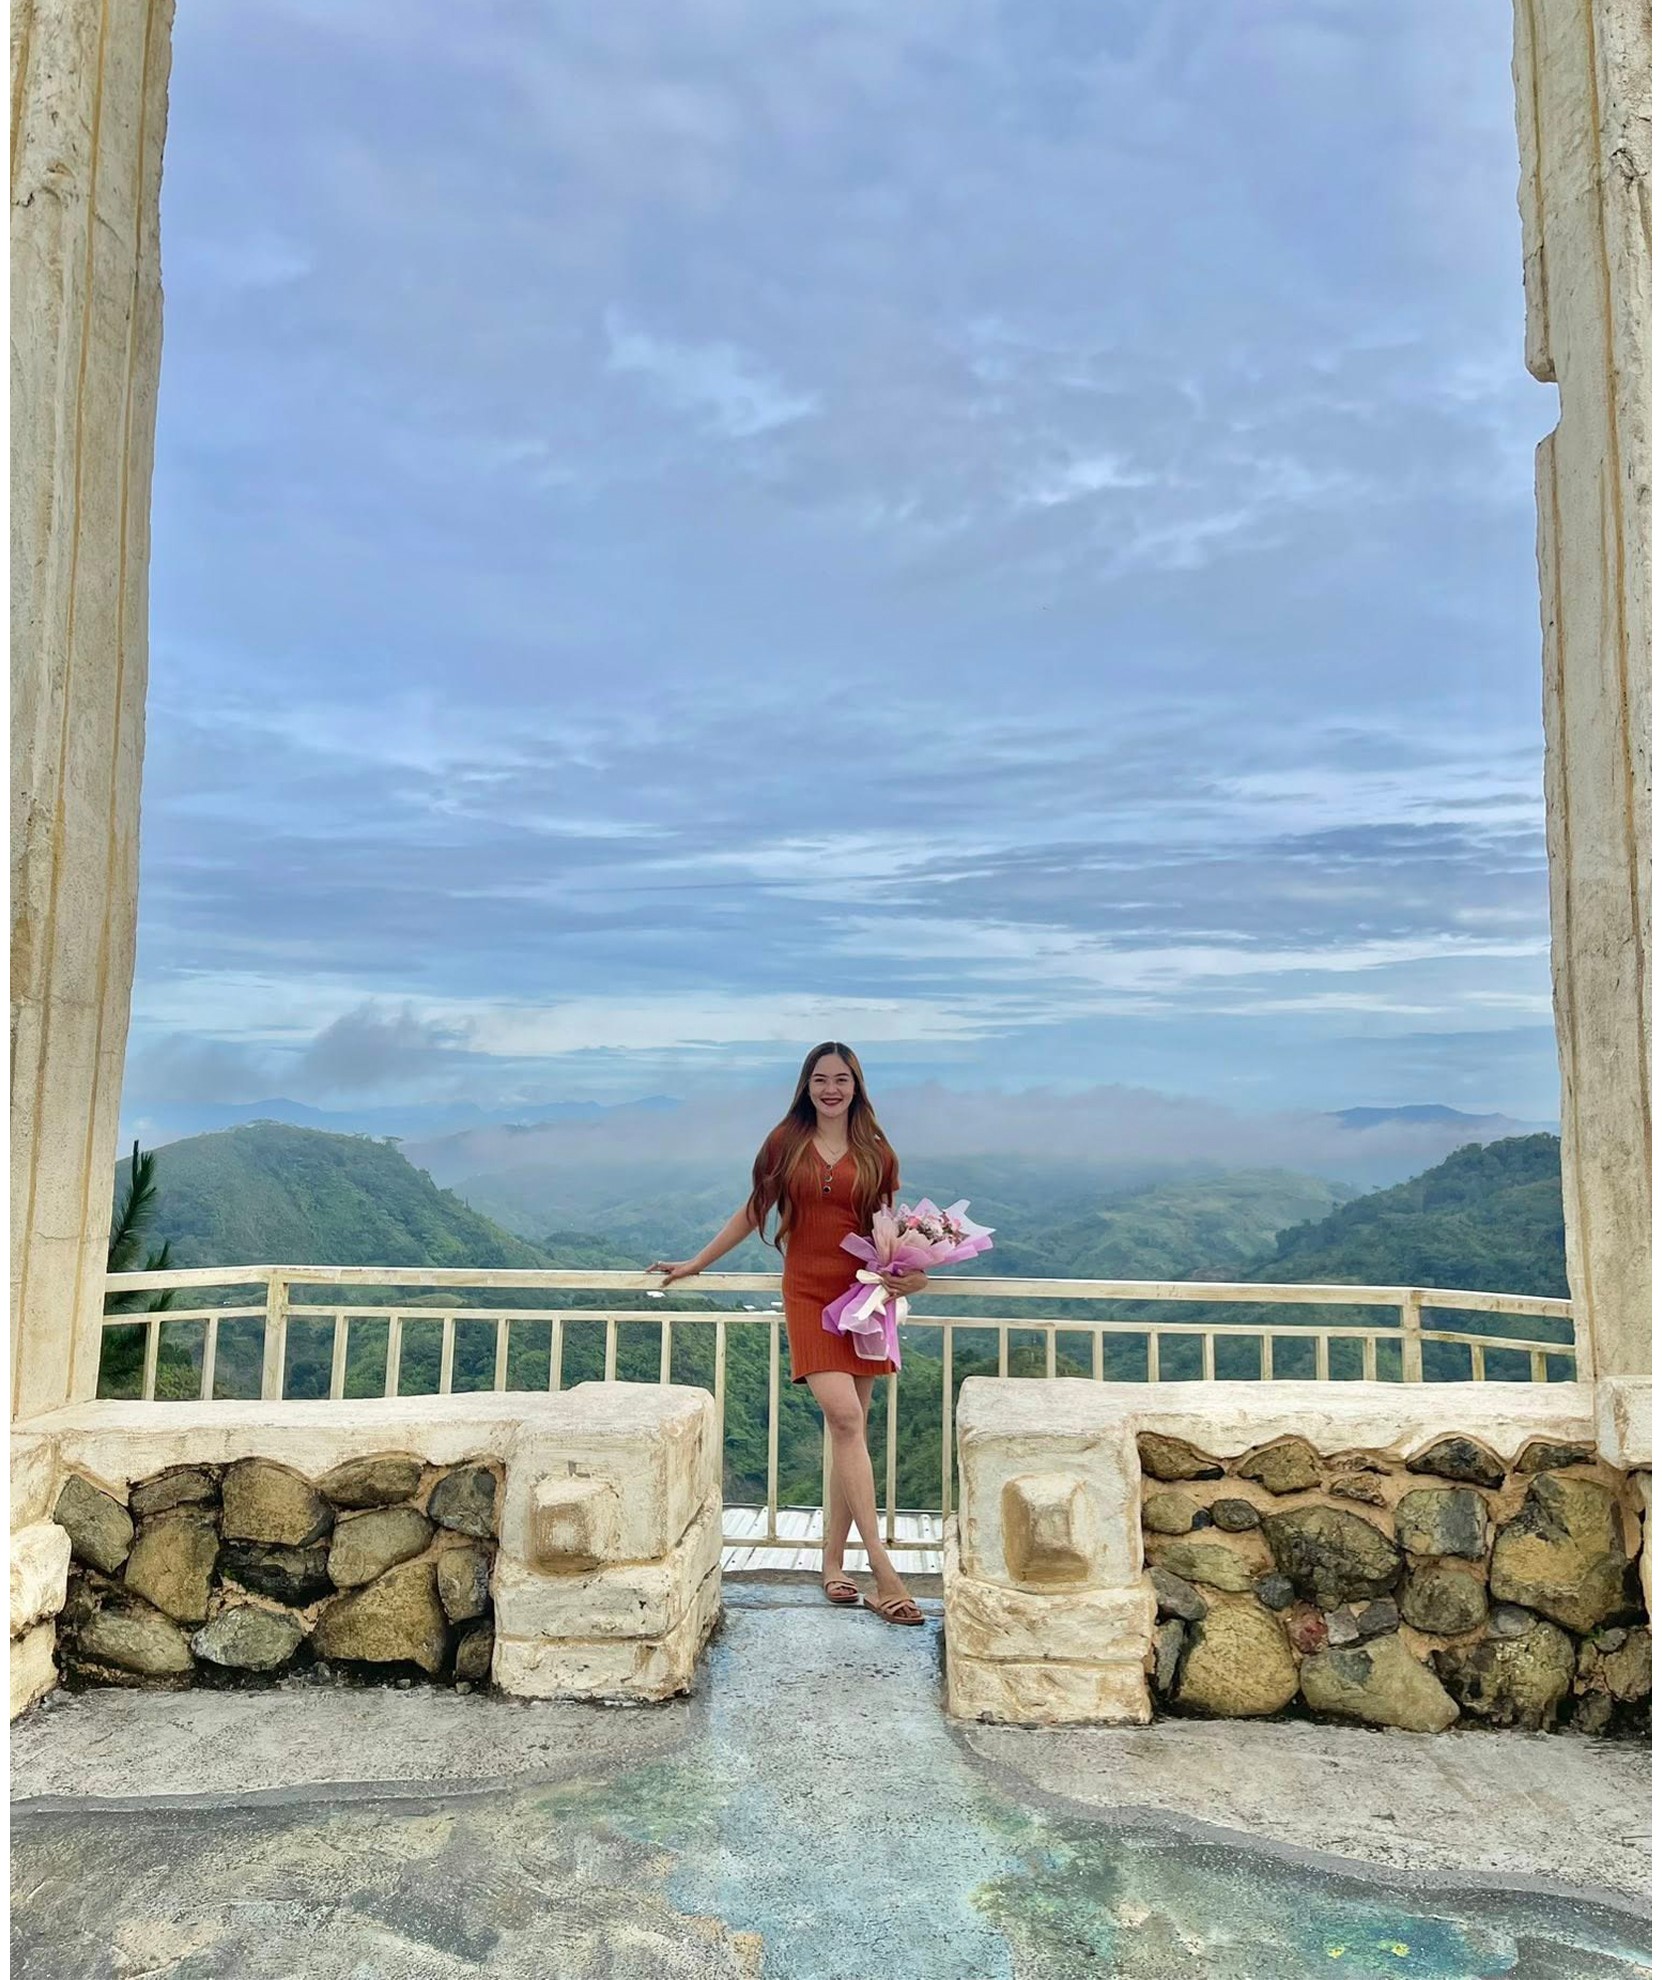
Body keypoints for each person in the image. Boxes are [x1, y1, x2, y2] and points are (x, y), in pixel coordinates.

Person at [650, 1041, 928, 1624]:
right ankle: (884, 1572)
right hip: (806, 1294)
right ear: (806, 1085)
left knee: (849, 1430)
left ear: (856, 1086)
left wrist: (913, 1274)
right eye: (820, 1079)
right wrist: (697, 1263)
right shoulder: (786, 1142)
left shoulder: (877, 1150)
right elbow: (755, 1210)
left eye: (842, 1079)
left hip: (861, 1297)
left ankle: (833, 1565)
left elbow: (888, 1230)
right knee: (845, 1419)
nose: (831, 1089)